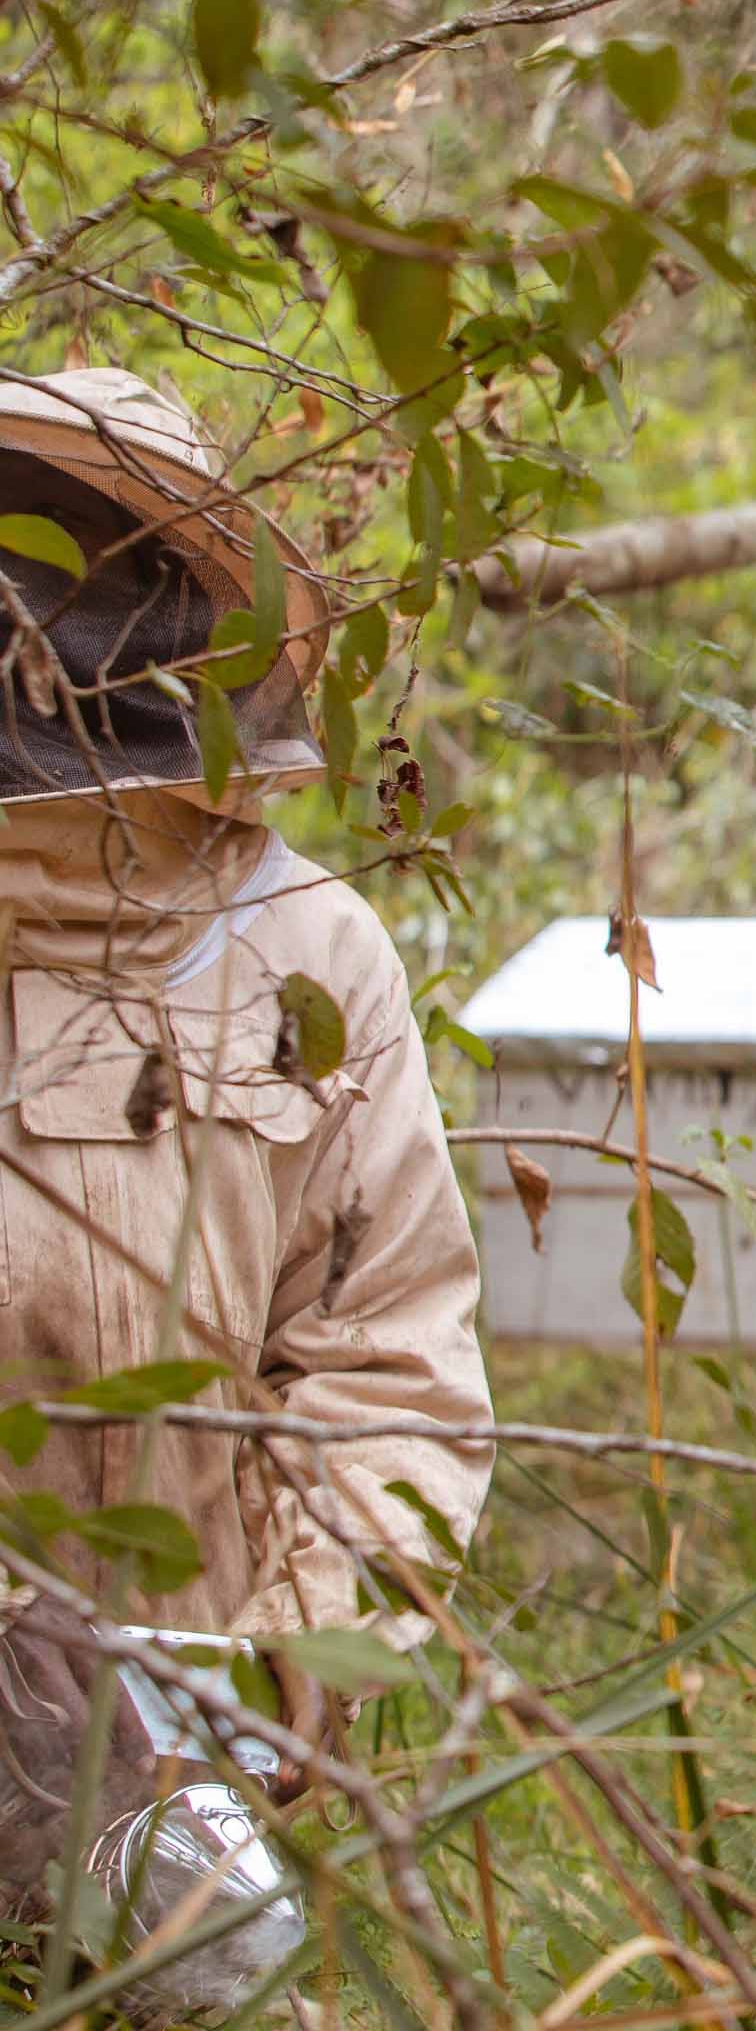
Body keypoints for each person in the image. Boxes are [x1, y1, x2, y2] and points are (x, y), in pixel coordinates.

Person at [0, 371, 492, 1920]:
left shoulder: (305, 947)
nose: (57, 619)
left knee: (203, 1978)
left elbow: (388, 1343)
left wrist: (309, 1639)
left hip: (189, 1737)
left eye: (104, 561)